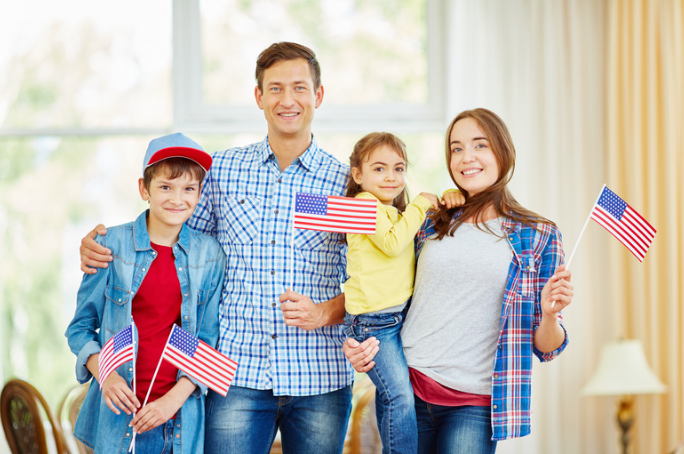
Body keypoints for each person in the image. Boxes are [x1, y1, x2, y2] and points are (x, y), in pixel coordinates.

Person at [79, 42, 352, 453]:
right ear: (259, 97)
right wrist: (105, 247)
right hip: (235, 376)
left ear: (319, 95)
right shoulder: (222, 170)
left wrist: (323, 312)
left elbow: (372, 280)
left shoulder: (345, 184)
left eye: (299, 87)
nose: (288, 99)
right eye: (275, 88)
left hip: (320, 379)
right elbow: (174, 240)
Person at [344, 108, 574, 454]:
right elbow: (378, 283)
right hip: (410, 387)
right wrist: (356, 337)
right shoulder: (428, 222)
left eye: (479, 145)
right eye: (456, 148)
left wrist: (550, 315)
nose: (467, 157)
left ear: (502, 152)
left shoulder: (538, 234)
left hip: (475, 403)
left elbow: (547, 346)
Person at [65, 133, 226, 454]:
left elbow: (208, 338)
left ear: (199, 194)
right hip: (118, 418)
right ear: (144, 189)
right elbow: (80, 329)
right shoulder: (110, 245)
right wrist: (107, 375)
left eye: (189, 189)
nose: (177, 198)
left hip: (180, 418)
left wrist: (173, 400)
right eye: (166, 186)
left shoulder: (210, 255)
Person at [343, 132, 463, 453]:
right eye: (379, 169)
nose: (391, 177)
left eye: (398, 169)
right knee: (399, 397)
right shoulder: (363, 204)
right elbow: (394, 243)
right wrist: (422, 203)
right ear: (358, 175)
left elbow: (409, 230)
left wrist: (447, 195)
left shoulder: (392, 211)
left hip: (395, 320)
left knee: (390, 397)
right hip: (373, 323)